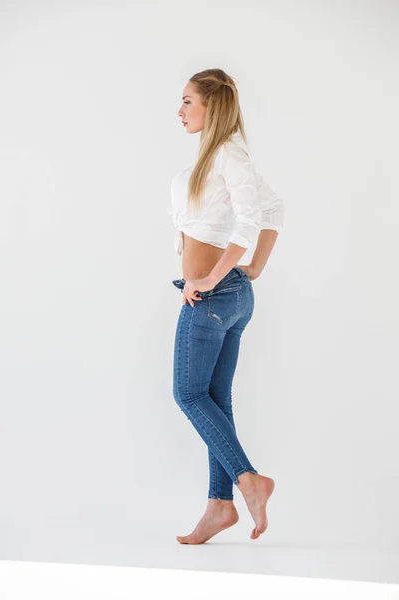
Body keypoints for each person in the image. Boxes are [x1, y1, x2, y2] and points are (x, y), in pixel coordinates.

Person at [170, 69, 285, 544]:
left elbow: (257, 217)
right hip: (232, 297)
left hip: (214, 296)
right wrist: (252, 267)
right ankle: (220, 505)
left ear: (211, 106)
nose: (179, 111)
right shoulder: (218, 156)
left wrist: (214, 276)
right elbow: (275, 208)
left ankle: (247, 479)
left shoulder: (227, 154)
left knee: (189, 396)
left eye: (187, 102)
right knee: (214, 399)